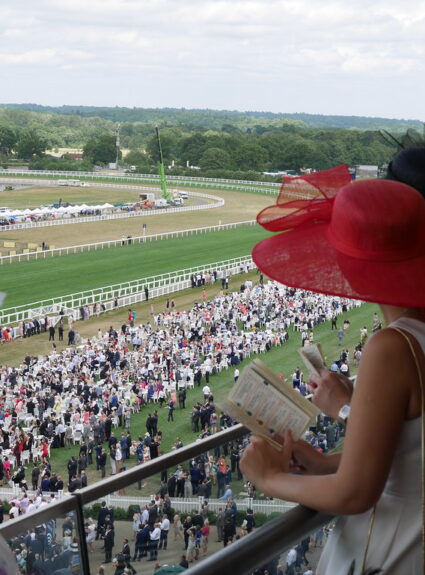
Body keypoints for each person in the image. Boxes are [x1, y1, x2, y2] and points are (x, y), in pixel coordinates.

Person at [240, 170, 425, 575]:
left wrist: (268, 477)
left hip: (392, 550)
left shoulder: (392, 346)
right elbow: (413, 452)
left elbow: (356, 493)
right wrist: (326, 463)